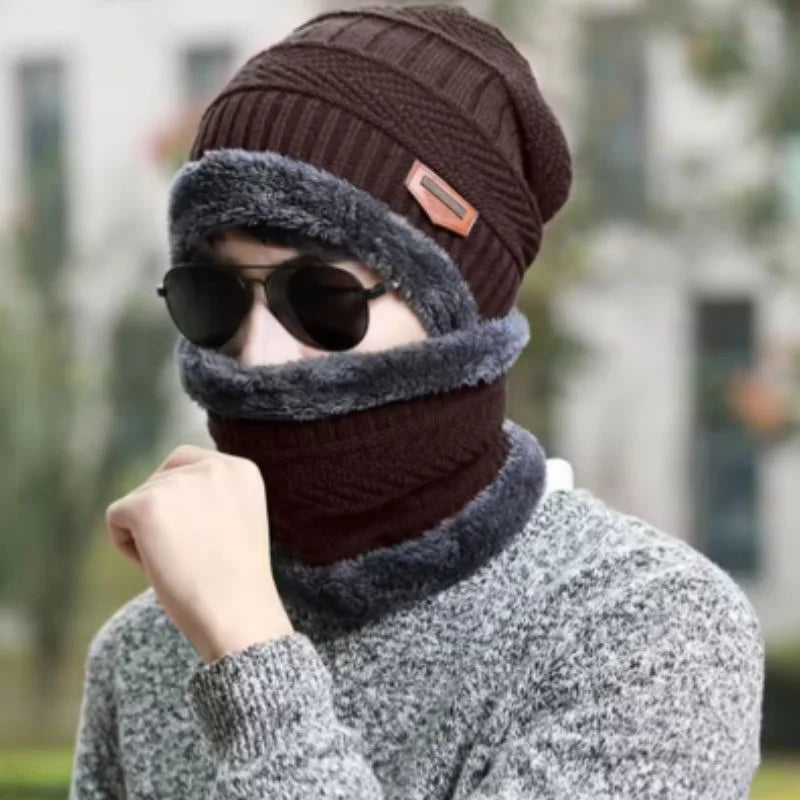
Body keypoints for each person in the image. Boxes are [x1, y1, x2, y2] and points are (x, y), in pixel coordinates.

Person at [68, 4, 764, 798]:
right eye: (212, 296)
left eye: (322, 298)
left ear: (460, 311)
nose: (258, 355)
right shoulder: (142, 654)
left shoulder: (647, 628)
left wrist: (250, 660)